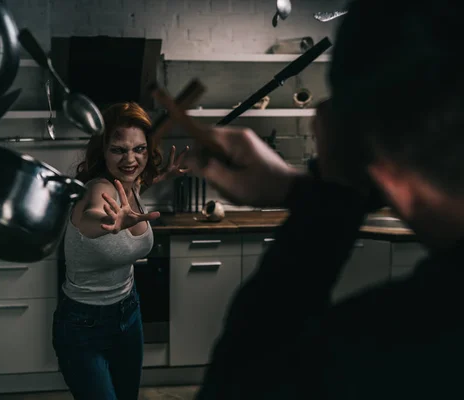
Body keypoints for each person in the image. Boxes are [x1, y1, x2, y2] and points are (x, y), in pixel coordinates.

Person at [179, 0, 464, 398]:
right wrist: (295, 189)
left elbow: (243, 382)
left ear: (388, 177)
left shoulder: (382, 354)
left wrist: (330, 199)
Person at [51, 101, 188, 400]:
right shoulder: (97, 189)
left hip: (129, 313)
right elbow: (92, 213)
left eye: (139, 149)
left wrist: (164, 175)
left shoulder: (129, 183)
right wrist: (109, 220)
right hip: (83, 326)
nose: (131, 159)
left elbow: (140, 181)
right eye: (118, 150)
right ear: (102, 150)